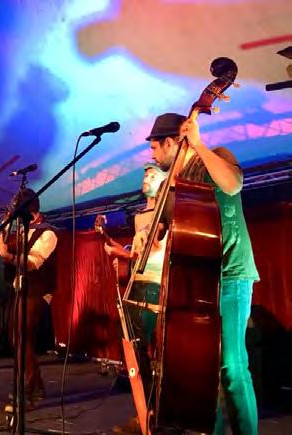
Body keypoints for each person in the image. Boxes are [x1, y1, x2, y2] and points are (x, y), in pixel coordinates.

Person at [140, 112, 259, 435]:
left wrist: (199, 144)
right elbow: (165, 229)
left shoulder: (216, 156)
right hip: (196, 281)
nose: (151, 154)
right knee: (203, 371)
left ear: (170, 142)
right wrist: (148, 235)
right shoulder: (170, 184)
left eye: (154, 146)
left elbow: (233, 184)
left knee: (232, 365)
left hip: (231, 273)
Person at [104, 163, 167, 434]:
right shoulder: (140, 215)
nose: (146, 178)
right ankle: (145, 412)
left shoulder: (167, 211)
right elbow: (139, 252)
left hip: (157, 284)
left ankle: (153, 414)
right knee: (135, 348)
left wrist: (124, 253)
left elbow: (157, 247)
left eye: (152, 174)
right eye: (145, 174)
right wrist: (125, 254)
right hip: (139, 283)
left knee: (150, 349)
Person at [0, 188, 58, 402]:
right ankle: (35, 385)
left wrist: (9, 256)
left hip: (39, 290)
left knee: (22, 335)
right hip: (22, 288)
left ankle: (29, 386)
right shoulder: (23, 231)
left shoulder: (47, 233)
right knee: (17, 338)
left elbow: (33, 263)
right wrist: (5, 228)